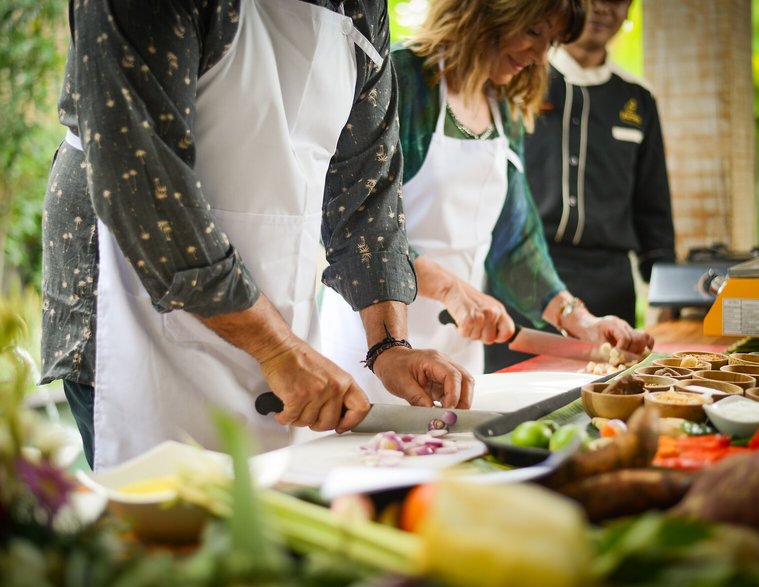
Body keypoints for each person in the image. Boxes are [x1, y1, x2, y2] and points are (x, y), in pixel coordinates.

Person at [40, 0, 473, 471]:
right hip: (136, 298)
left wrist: (389, 346)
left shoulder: (362, 8)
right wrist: (277, 348)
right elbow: (144, 187)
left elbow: (369, 194)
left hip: (275, 313)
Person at [321, 0, 654, 405]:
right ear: (485, 12)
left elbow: (516, 243)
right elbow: (359, 220)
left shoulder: (505, 106)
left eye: (549, 42)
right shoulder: (400, 77)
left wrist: (578, 319)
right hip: (373, 344)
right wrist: (451, 289)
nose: (539, 57)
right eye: (533, 32)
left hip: (458, 350)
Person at [525, 0, 674, 327]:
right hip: (526, 275)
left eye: (616, 0)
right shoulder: (521, 77)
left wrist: (666, 295)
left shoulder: (638, 98)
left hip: (611, 287)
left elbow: (654, 208)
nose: (603, 8)